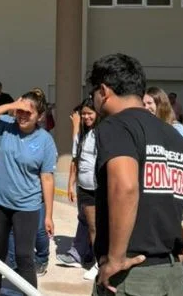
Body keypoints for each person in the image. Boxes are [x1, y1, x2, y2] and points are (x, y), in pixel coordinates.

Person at [87, 53, 183, 296]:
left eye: (93, 93)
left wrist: (116, 258)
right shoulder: (173, 136)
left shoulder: (116, 126)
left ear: (103, 90)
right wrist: (181, 252)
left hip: (131, 278)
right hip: (171, 276)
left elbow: (125, 186)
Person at [0, 90, 57, 295]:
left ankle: (29, 293)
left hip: (26, 207)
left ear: (40, 116)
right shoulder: (6, 126)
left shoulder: (45, 141)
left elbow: (47, 178)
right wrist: (10, 106)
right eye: (20, 111)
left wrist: (49, 215)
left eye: (29, 113)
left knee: (24, 256)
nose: (23, 116)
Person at [57, 98, 100, 281]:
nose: (86, 117)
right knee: (87, 224)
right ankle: (87, 255)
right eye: (83, 114)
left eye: (90, 113)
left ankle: (99, 262)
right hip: (84, 188)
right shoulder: (84, 134)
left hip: (97, 189)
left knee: (95, 227)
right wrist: (71, 185)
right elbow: (76, 159)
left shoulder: (101, 133)